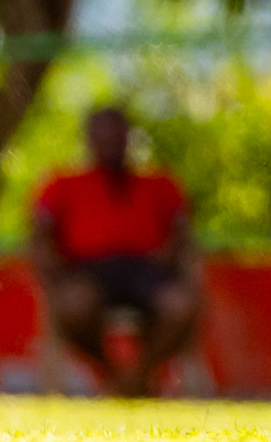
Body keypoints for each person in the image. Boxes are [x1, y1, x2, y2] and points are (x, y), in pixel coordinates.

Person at [30, 107, 199, 396]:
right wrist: (55, 276)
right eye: (103, 137)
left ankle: (138, 374)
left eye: (117, 136)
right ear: (89, 140)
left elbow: (182, 236)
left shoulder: (161, 184)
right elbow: (40, 238)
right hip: (87, 270)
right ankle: (117, 376)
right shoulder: (61, 184)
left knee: (181, 306)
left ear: (129, 139)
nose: (111, 143)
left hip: (147, 270)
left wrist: (172, 261)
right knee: (72, 305)